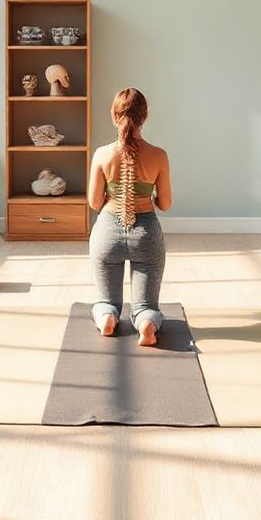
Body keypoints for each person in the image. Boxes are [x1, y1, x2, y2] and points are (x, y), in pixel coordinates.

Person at [87, 88, 173, 346]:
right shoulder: (159, 155)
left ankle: (106, 319)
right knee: (147, 306)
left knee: (106, 302)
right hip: (146, 235)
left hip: (107, 236)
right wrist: (149, 198)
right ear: (144, 117)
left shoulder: (102, 154)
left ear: (115, 116)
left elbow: (94, 202)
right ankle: (146, 323)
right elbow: (166, 204)